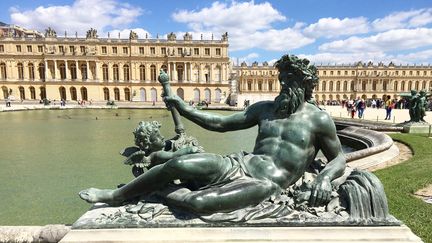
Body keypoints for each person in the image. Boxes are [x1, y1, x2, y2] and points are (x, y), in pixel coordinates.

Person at [79, 55, 346, 214]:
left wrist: (324, 178)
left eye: (291, 79)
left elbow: (339, 159)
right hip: (238, 164)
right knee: (179, 163)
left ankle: (158, 191)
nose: (284, 84)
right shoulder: (265, 109)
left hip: (265, 184)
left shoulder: (318, 119)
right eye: (283, 78)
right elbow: (220, 124)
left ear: (306, 84)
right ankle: (116, 196)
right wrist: (183, 107)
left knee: (198, 202)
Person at [123, 121, 201, 169]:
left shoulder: (151, 150)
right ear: (148, 143)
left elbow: (168, 142)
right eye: (158, 138)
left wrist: (176, 138)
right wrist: (191, 149)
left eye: (160, 135)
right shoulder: (158, 154)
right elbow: (174, 155)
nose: (162, 137)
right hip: (166, 184)